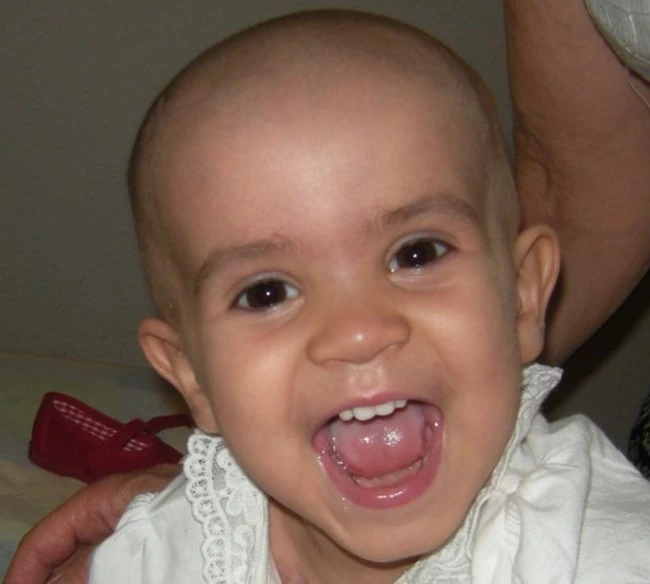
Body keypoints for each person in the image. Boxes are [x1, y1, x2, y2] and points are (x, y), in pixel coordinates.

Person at [4, 1, 650, 583]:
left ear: (523, 293)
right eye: (266, 293)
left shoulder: (598, 553)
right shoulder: (160, 552)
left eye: (416, 253)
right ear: (192, 374)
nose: (358, 331)